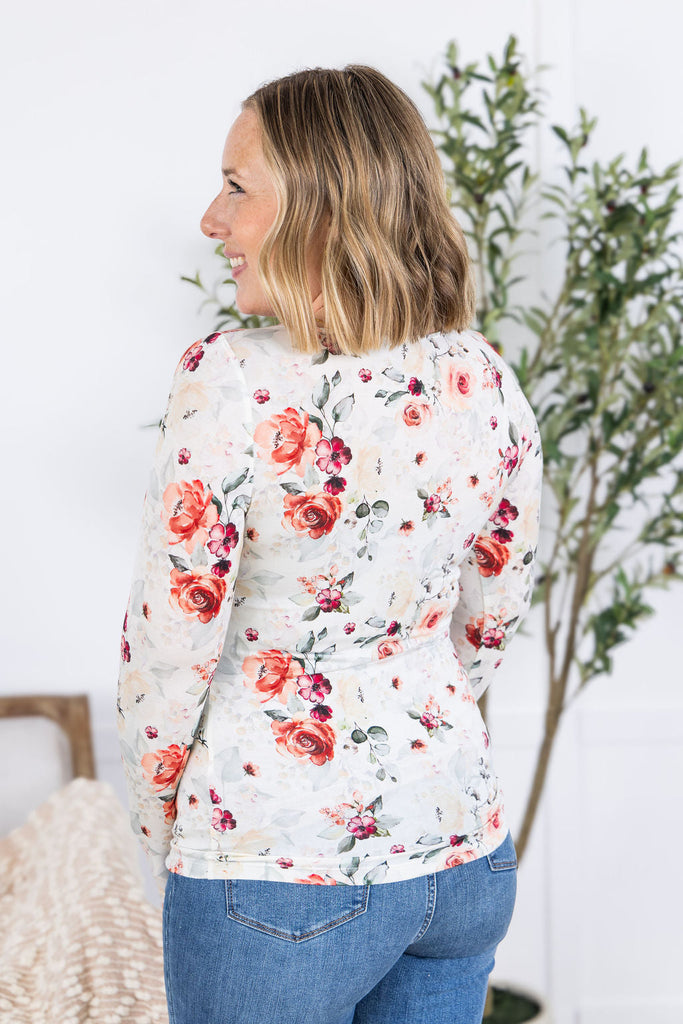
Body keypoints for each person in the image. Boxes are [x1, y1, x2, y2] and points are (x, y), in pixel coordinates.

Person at [117, 65, 542, 1024]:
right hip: (457, 848)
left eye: (236, 187)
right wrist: (414, 713)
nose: (211, 220)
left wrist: (163, 822)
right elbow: (492, 612)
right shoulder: (481, 374)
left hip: (271, 863)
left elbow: (172, 644)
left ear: (320, 204)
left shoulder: (230, 379)